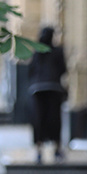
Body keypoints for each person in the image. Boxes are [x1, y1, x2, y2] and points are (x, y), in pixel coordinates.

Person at [28, 26, 67, 164]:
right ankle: (57, 149)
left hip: (37, 89)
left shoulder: (36, 52)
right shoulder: (58, 51)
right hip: (54, 88)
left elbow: (30, 70)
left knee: (38, 119)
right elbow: (63, 69)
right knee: (54, 119)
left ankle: (39, 151)